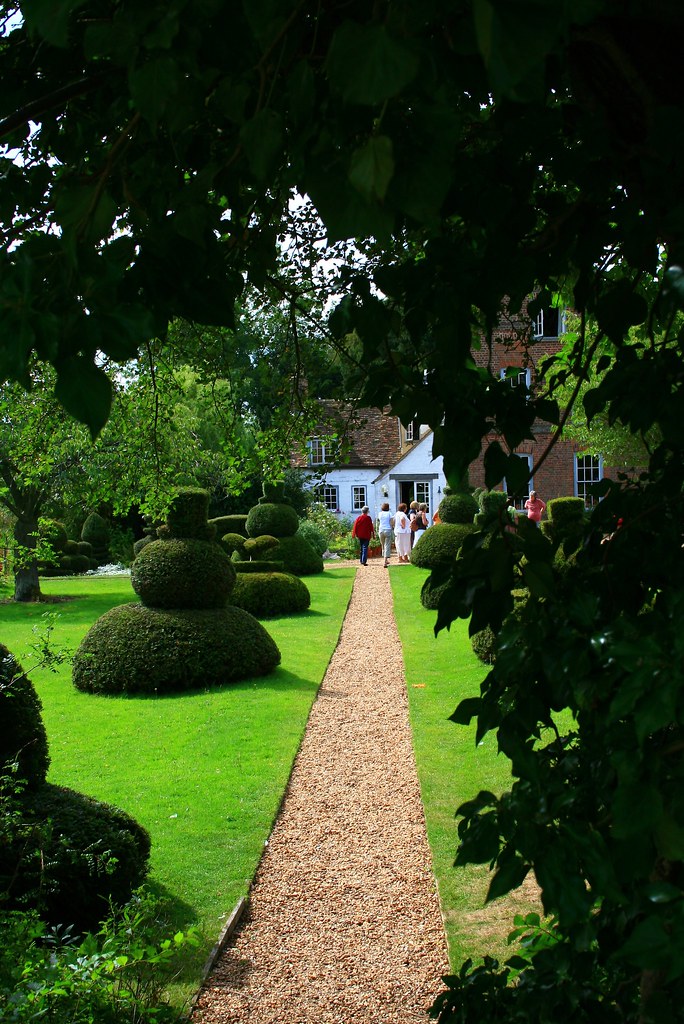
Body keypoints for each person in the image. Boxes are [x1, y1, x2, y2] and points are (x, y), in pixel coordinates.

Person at [378, 502, 394, 567]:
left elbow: (379, 520)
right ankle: (385, 561)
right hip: (387, 529)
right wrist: (392, 527)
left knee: (383, 545)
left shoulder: (380, 513)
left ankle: (385, 559)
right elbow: (391, 522)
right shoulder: (389, 513)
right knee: (387, 545)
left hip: (381, 530)